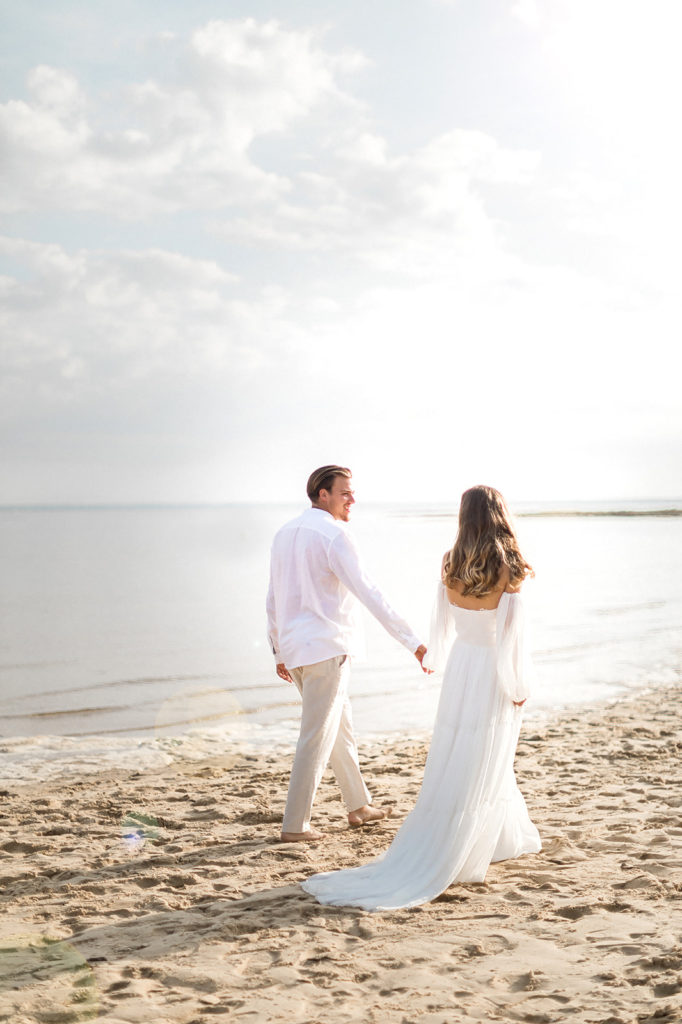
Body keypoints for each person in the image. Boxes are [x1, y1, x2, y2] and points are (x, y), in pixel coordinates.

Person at [301, 484, 542, 909]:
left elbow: (442, 623)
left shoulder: (451, 561)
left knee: (464, 749)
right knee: (488, 751)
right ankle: (471, 842)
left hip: (462, 668)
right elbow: (512, 637)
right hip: (491, 670)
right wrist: (518, 685)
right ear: (500, 515)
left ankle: (502, 836)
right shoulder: (509, 565)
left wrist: (434, 656)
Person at [266, 465, 429, 844]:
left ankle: (359, 806)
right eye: (345, 492)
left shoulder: (283, 533)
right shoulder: (335, 535)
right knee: (316, 736)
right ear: (322, 494)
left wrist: (277, 649)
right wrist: (413, 642)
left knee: (340, 728)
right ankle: (295, 825)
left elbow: (273, 596)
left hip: (297, 650)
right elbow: (369, 592)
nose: (352, 499)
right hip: (326, 648)